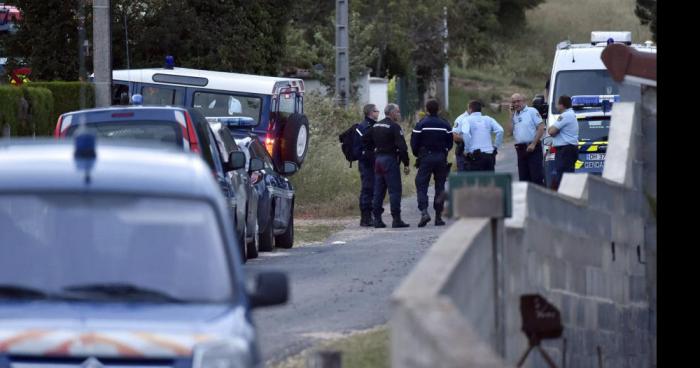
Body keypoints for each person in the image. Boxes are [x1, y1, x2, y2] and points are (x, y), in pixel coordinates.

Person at [362, 103, 411, 228]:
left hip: (378, 160)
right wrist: (406, 163)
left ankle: (377, 220)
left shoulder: (376, 125)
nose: (399, 114)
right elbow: (402, 147)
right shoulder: (394, 127)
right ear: (392, 113)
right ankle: (396, 219)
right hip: (390, 160)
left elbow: (365, 139)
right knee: (394, 191)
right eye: (398, 112)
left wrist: (374, 150)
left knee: (378, 191)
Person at [411, 99, 452, 227]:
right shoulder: (445, 124)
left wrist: (418, 154)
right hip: (441, 158)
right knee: (440, 186)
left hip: (426, 158)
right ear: (438, 109)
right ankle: (438, 217)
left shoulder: (421, 124)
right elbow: (450, 142)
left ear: (426, 110)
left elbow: (414, 143)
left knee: (421, 184)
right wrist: (444, 152)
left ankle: (424, 212)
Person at [454, 100, 504, 171]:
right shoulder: (488, 119)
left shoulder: (467, 120)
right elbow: (500, 130)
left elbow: (466, 134)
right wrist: (496, 146)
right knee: (490, 180)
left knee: (476, 180)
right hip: (489, 155)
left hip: (475, 156)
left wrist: (466, 150)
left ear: (470, 109)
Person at [509, 93, 545, 185]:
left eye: (518, 101)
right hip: (520, 149)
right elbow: (509, 131)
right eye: (514, 102)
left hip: (533, 147)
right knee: (523, 179)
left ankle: (539, 198)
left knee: (536, 178)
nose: (516, 104)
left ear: (524, 101)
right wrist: (511, 115)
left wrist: (533, 144)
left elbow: (541, 127)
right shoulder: (514, 115)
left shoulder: (531, 111)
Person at [353, 104, 380, 227]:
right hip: (367, 163)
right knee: (367, 189)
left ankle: (371, 216)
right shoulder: (364, 127)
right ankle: (365, 218)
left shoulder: (374, 125)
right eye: (376, 111)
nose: (378, 112)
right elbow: (358, 148)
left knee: (373, 189)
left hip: (373, 162)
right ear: (370, 112)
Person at [547, 95, 579, 190]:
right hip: (569, 149)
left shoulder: (565, 115)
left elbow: (551, 131)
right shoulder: (571, 114)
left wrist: (552, 129)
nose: (556, 106)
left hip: (565, 150)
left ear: (561, 105)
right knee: (568, 176)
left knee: (563, 177)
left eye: (557, 104)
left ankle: (566, 197)